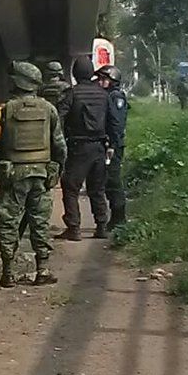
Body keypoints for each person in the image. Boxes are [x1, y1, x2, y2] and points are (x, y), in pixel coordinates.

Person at [0, 62, 67, 287]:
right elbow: (60, 147)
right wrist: (56, 168)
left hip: (13, 175)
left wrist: (0, 168)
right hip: (41, 175)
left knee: (9, 222)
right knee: (40, 222)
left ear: (17, 82)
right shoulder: (49, 109)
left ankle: (8, 273)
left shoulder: (2, 111)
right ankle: (42, 270)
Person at [56, 56, 110, 240]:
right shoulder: (104, 95)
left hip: (79, 147)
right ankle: (102, 226)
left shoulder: (72, 94)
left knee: (70, 186)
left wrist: (59, 142)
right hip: (100, 147)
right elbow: (112, 121)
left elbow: (58, 118)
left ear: (75, 74)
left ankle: (74, 228)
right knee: (97, 188)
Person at [97, 64, 129, 230]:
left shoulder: (116, 97)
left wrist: (112, 145)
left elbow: (116, 124)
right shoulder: (107, 96)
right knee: (107, 180)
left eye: (104, 79)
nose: (101, 82)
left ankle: (119, 217)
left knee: (113, 180)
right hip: (108, 143)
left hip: (113, 145)